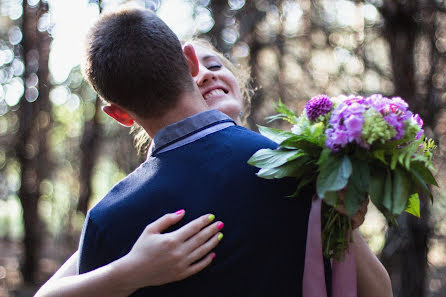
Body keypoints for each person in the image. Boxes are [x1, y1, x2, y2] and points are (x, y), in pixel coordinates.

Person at [36, 8, 392, 297]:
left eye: (217, 65)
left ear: (118, 114)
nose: (207, 76)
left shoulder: (110, 220)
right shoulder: (302, 173)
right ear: (188, 65)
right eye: (201, 68)